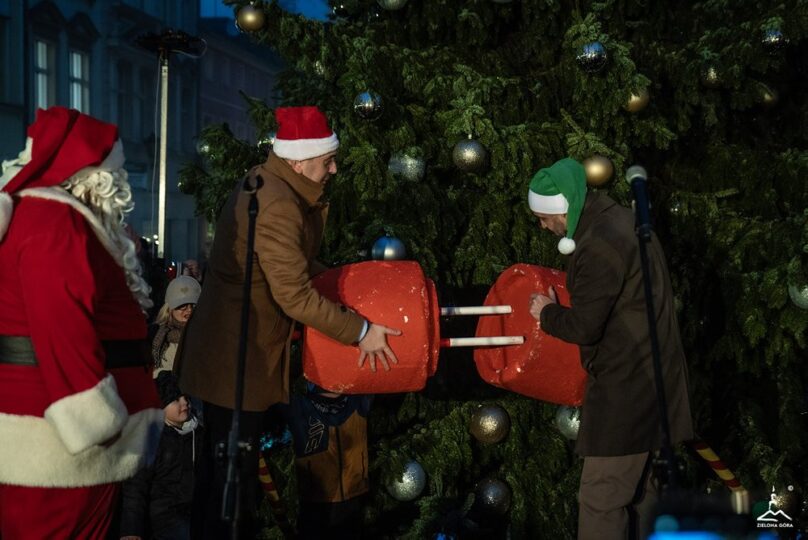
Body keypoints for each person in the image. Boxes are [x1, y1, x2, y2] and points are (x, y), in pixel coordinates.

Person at [175, 105, 400, 537]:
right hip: (237, 363)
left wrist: (333, 281)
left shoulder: (268, 183)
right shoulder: (278, 204)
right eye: (326, 161)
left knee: (222, 480)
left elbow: (290, 262)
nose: (333, 169)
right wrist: (361, 332)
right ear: (299, 161)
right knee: (230, 489)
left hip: (231, 358)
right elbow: (294, 296)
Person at [0, 107, 163, 538]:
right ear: (96, 175)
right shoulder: (54, 222)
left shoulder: (44, 217)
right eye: (117, 173)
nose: (122, 183)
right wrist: (95, 421)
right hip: (61, 449)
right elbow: (61, 329)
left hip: (55, 445)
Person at [526, 158, 693, 540]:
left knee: (601, 498)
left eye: (544, 218)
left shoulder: (599, 245)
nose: (543, 227)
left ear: (562, 208)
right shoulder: (618, 221)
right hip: (654, 377)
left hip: (629, 387)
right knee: (643, 493)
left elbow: (585, 326)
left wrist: (546, 312)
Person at [119, 371, 202, 540]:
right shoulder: (151, 439)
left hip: (197, 512)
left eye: (185, 397)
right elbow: (136, 487)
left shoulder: (198, 432)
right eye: (176, 399)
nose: (184, 403)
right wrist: (131, 529)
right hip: (164, 517)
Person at [284, 382, 372, 539]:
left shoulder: (358, 401)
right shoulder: (300, 407)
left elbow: (376, 378)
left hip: (352, 498)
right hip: (315, 503)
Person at [152, 276, 201, 378]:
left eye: (193, 305)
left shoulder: (204, 336)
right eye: (183, 306)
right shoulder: (155, 334)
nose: (189, 310)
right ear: (170, 309)